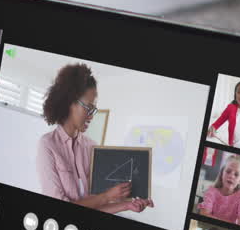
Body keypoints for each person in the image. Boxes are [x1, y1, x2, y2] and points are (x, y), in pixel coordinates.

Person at [36, 63, 153, 214]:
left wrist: (127, 205)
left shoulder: (91, 147)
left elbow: (96, 204)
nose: (91, 116)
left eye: (94, 110)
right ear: (70, 102)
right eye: (88, 108)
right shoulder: (48, 145)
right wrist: (107, 196)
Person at [197, 153, 240, 227]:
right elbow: (204, 215)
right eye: (228, 171)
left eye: (236, 174)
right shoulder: (212, 192)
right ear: (222, 173)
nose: (231, 176)